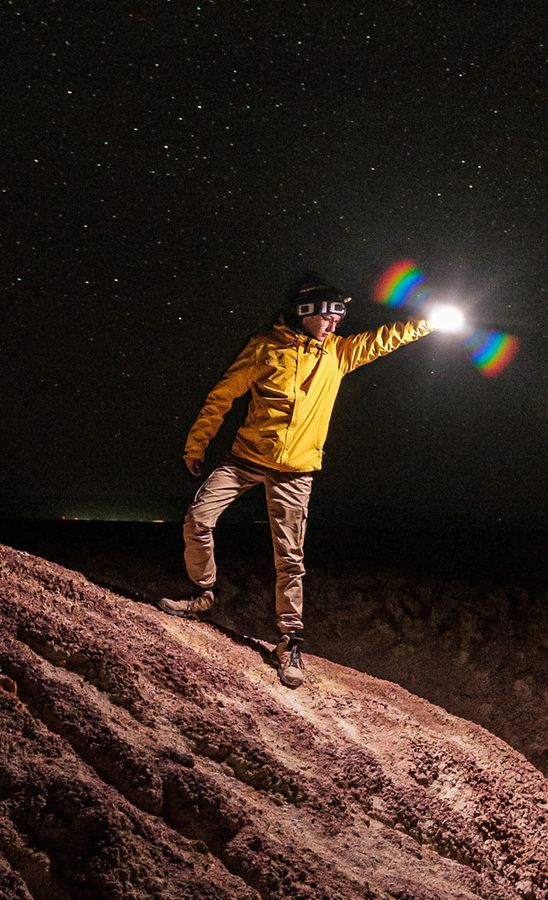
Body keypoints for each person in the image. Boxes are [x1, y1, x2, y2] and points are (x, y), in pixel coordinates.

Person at [162, 274, 434, 683]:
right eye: (328, 317)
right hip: (245, 459)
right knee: (198, 519)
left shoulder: (339, 354)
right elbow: (222, 395)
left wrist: (428, 323)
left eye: (339, 319)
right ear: (305, 313)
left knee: (289, 558)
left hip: (296, 472)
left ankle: (289, 643)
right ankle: (203, 594)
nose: (334, 325)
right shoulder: (264, 348)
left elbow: (385, 338)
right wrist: (196, 444)